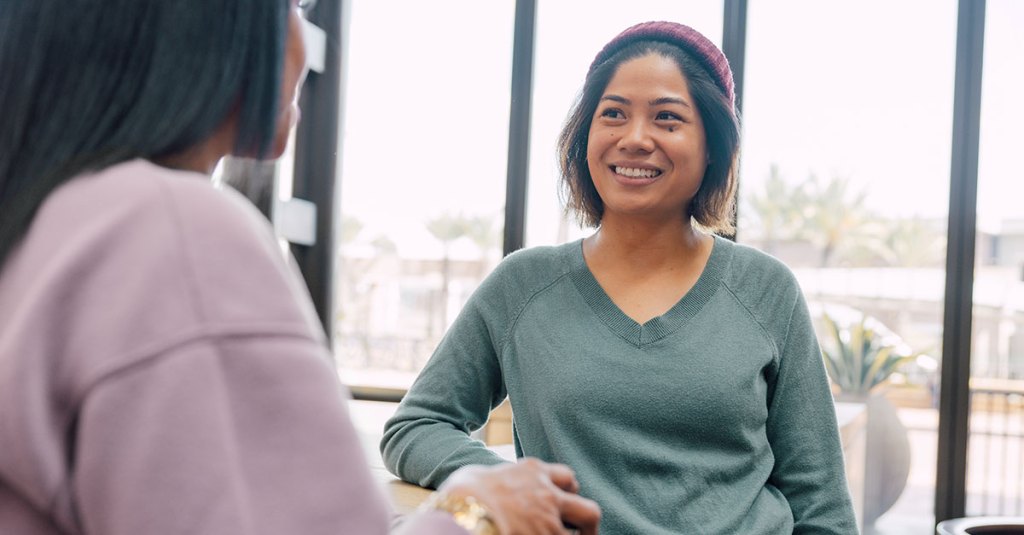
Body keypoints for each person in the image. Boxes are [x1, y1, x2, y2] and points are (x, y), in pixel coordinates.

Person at [0, 1, 600, 534]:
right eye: (291, 6)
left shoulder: (45, 225)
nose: (307, 41)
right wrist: (478, 513)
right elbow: (418, 424)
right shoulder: (171, 231)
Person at [381, 20, 858, 534]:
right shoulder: (522, 285)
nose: (634, 139)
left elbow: (821, 504)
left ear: (713, 146)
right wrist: (509, 484)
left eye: (667, 119)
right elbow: (415, 426)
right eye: (613, 114)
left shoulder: (768, 290)